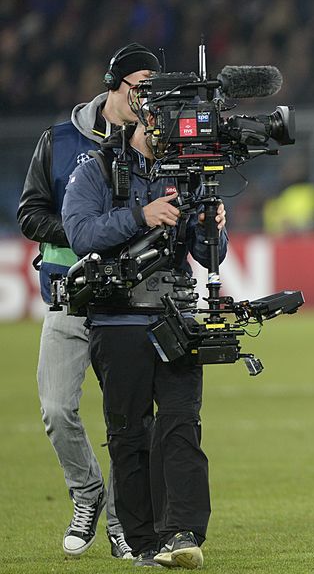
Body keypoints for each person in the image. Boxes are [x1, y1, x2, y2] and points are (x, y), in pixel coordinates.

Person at [62, 100, 228, 567]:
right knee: (129, 435)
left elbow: (211, 256)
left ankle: (183, 533)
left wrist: (214, 230)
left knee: (181, 424)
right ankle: (142, 541)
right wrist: (141, 216)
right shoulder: (96, 169)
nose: (171, 136)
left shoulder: (192, 173)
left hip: (175, 317)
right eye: (164, 125)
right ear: (144, 121)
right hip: (117, 320)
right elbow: (79, 234)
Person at [16, 42, 161, 560]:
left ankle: (123, 521)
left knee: (128, 418)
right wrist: (86, 232)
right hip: (71, 294)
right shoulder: (58, 140)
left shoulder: (158, 141)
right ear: (113, 84)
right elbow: (30, 214)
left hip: (132, 299)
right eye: (141, 86)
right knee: (57, 409)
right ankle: (87, 492)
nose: (149, 98)